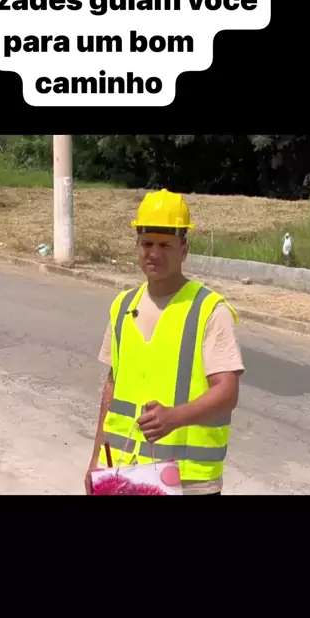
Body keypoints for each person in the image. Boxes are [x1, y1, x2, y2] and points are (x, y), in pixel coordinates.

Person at [85, 189, 245, 496]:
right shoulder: (123, 306)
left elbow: (227, 393)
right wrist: (96, 460)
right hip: (122, 470)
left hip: (188, 482)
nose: (154, 253)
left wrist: (174, 418)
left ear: (184, 249)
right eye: (147, 243)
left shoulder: (209, 310)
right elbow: (112, 388)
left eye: (165, 245)